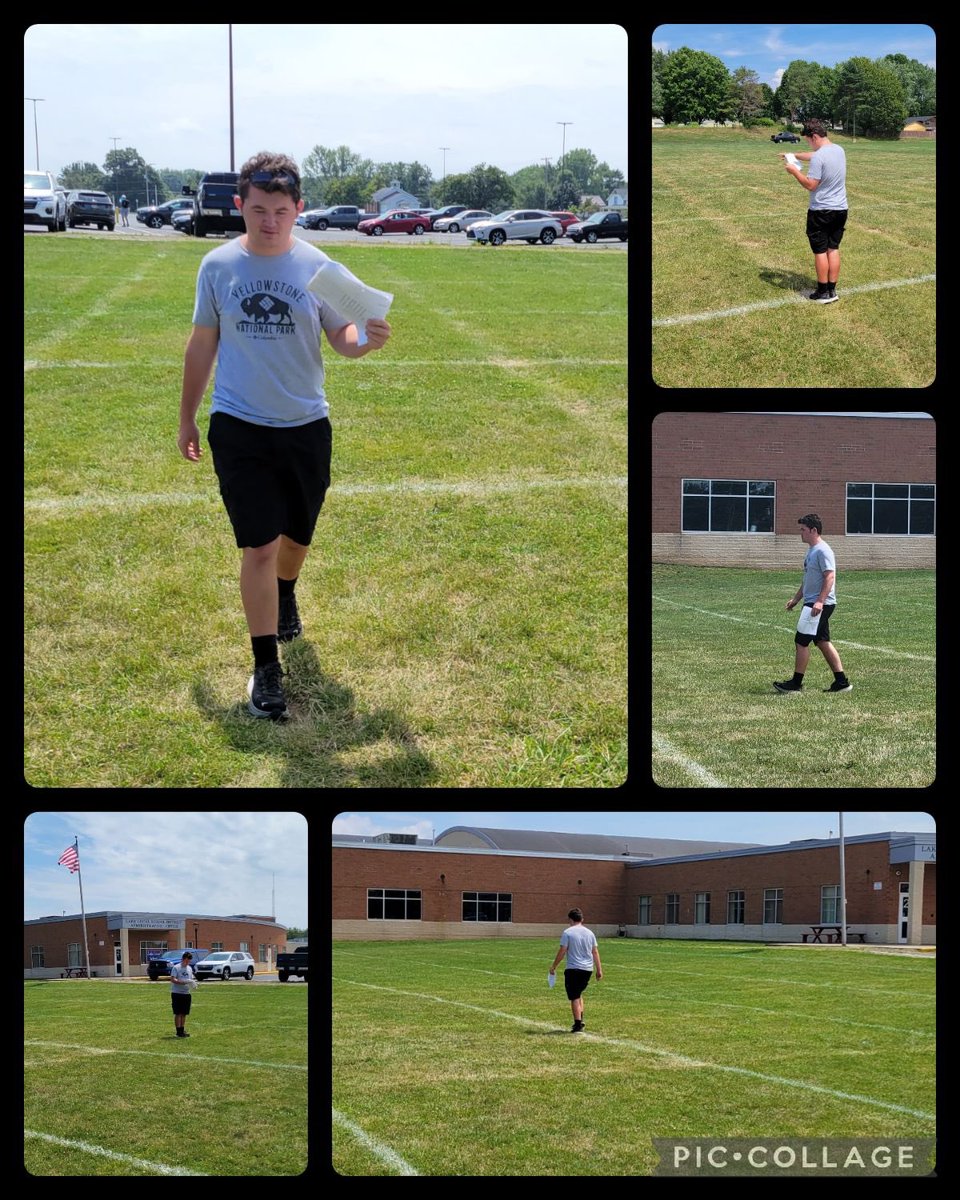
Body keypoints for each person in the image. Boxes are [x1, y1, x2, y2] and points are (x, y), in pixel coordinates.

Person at [177, 151, 391, 719]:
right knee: (260, 546)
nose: (269, 222)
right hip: (239, 426)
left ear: (298, 209)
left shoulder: (319, 268)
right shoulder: (218, 267)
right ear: (239, 205)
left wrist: (365, 340)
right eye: (257, 210)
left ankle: (287, 592)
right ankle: (266, 666)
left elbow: (342, 335)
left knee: (296, 539)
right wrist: (186, 417)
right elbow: (202, 344)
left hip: (305, 427)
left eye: (280, 211)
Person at [774, 514, 852, 694]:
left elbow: (829, 576)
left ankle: (795, 684)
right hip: (813, 602)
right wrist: (796, 599)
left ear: (813, 530)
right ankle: (841, 682)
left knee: (801, 641)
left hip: (818, 605)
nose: (800, 533)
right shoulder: (812, 551)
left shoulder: (823, 550)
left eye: (803, 529)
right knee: (822, 641)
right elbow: (808, 580)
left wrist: (819, 601)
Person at [780, 118, 848, 304]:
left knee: (820, 251)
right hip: (841, 209)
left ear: (815, 136)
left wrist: (794, 171)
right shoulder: (839, 149)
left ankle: (822, 292)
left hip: (821, 211)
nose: (809, 145)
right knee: (833, 249)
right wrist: (793, 155)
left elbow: (811, 185)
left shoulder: (819, 157)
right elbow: (814, 155)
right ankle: (832, 290)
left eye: (809, 141)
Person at [549, 908, 602, 1033]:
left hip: (573, 968)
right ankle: (580, 1019)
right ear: (582, 919)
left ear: (570, 919)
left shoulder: (568, 932)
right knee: (578, 993)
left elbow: (563, 951)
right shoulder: (590, 933)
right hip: (587, 969)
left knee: (574, 996)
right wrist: (599, 969)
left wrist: (554, 966)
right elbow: (595, 952)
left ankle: (577, 1024)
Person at [170, 951, 196, 1037]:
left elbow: (190, 979)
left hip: (186, 993)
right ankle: (178, 1032)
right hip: (177, 993)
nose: (187, 963)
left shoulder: (189, 968)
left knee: (184, 1013)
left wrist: (193, 983)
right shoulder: (176, 967)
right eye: (187, 961)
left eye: (189, 961)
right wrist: (182, 982)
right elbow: (173, 979)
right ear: (183, 959)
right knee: (178, 1013)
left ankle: (182, 1030)